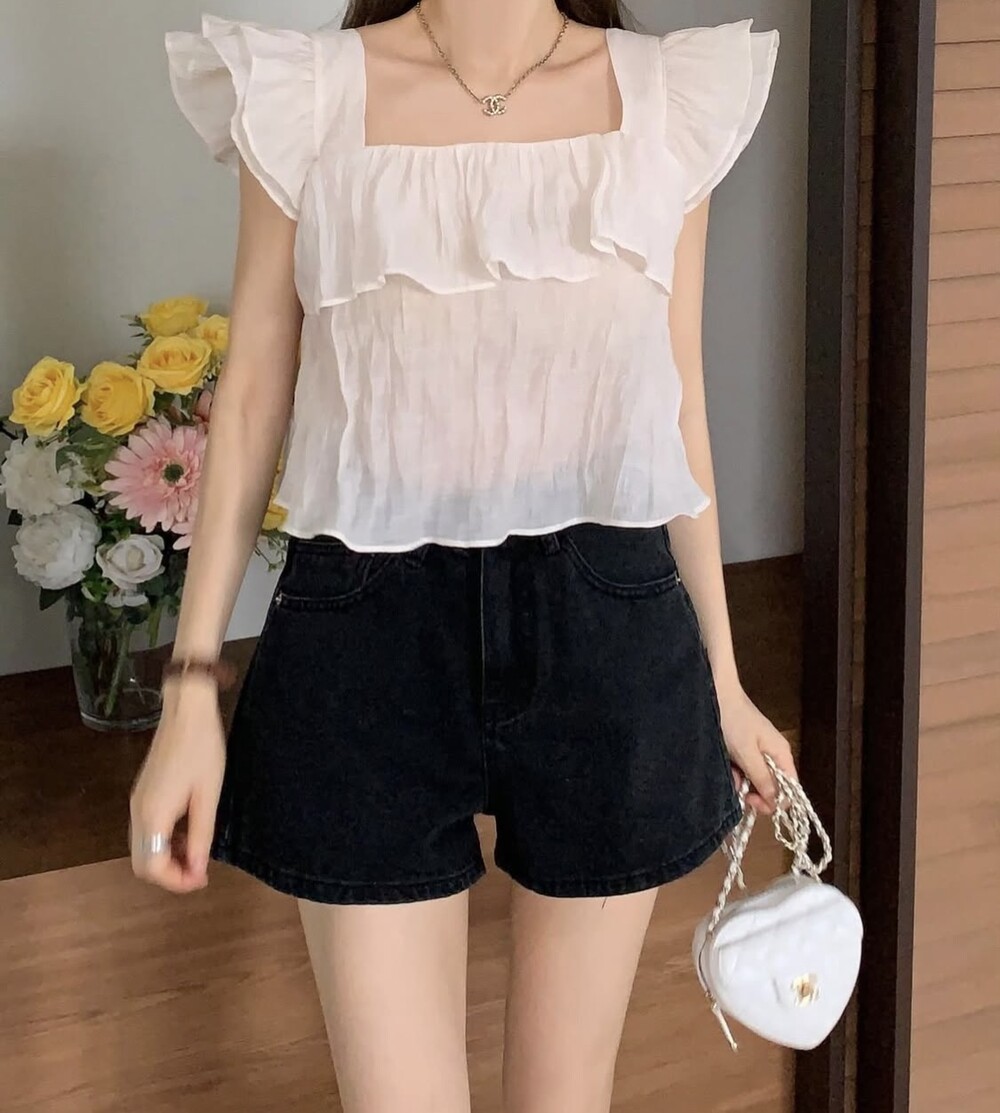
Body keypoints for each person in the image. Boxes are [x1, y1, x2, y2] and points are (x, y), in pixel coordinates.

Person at [133, 2, 795, 1109]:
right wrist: (190, 689)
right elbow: (250, 396)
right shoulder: (306, 96)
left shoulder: (669, 98)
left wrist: (721, 680)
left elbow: (677, 408)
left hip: (610, 622)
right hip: (365, 632)